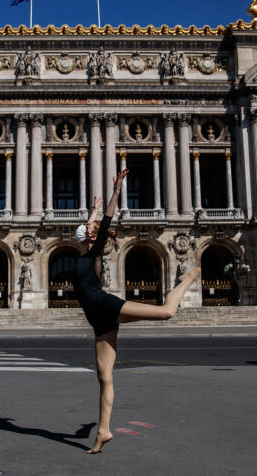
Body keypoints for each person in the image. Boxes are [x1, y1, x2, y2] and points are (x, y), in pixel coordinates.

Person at [73, 169, 200, 454]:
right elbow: (89, 226)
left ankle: (187, 280)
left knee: (167, 312)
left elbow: (104, 222)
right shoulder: (83, 250)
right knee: (104, 377)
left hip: (105, 305)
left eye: (90, 231)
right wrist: (92, 211)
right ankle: (103, 431)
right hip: (97, 319)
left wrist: (116, 191)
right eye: (88, 230)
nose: (88, 230)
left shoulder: (93, 253)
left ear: (92, 239)